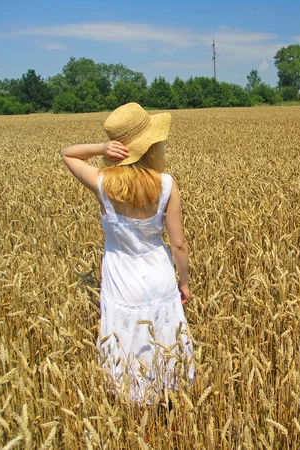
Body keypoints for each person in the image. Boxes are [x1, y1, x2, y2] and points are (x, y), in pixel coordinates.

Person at [61, 102, 195, 403]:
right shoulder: (167, 184)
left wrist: (101, 149)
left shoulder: (102, 182)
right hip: (158, 274)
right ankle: (168, 401)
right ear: (150, 147)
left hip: (120, 278)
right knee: (164, 337)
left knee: (125, 340)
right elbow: (178, 244)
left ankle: (129, 403)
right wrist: (183, 281)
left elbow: (67, 153)